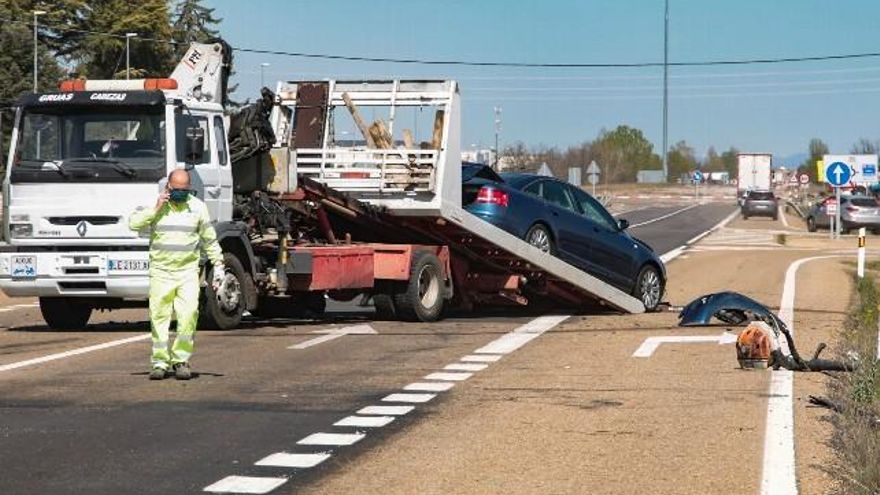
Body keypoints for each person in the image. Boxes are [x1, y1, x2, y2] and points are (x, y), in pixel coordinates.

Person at [129, 169, 225, 380]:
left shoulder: (197, 208)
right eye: (176, 190)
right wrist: (156, 208)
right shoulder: (158, 207)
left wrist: (218, 265)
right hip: (161, 272)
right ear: (168, 187)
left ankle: (181, 360)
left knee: (188, 315)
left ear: (189, 188)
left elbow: (209, 239)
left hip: (187, 272)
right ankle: (160, 362)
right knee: (159, 317)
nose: (180, 193)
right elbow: (133, 224)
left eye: (185, 190)